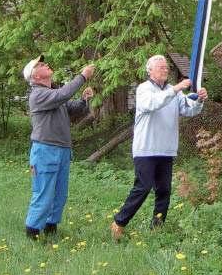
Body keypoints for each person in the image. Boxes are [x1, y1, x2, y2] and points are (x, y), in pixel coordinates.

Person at [111, 54, 207, 240]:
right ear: (150, 71)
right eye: (161, 67)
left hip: (166, 149)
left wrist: (199, 100)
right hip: (146, 148)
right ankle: (119, 222)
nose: (165, 70)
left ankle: (157, 226)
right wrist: (176, 89)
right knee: (143, 187)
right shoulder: (143, 89)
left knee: (164, 190)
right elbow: (152, 104)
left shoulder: (174, 91)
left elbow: (189, 109)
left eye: (166, 67)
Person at [23, 55, 95, 238]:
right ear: (35, 76)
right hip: (45, 151)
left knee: (60, 195)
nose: (46, 64)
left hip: (62, 151)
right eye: (40, 64)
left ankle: (51, 229)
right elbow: (63, 94)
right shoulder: (38, 94)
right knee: (43, 193)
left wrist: (84, 100)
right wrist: (82, 77)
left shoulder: (53, 94)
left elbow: (74, 109)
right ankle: (32, 232)